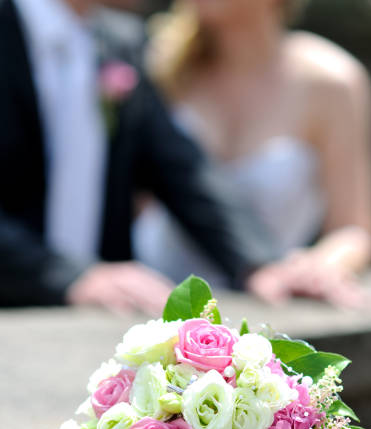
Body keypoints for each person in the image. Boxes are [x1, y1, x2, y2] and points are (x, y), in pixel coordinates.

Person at [0, 0, 276, 314]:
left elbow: (181, 167)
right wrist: (66, 276)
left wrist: (261, 264)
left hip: (93, 326)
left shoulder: (121, 41)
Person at [137, 0, 371, 306]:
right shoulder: (159, 68)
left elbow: (353, 229)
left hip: (264, 304)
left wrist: (319, 267)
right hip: (149, 307)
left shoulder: (331, 81)